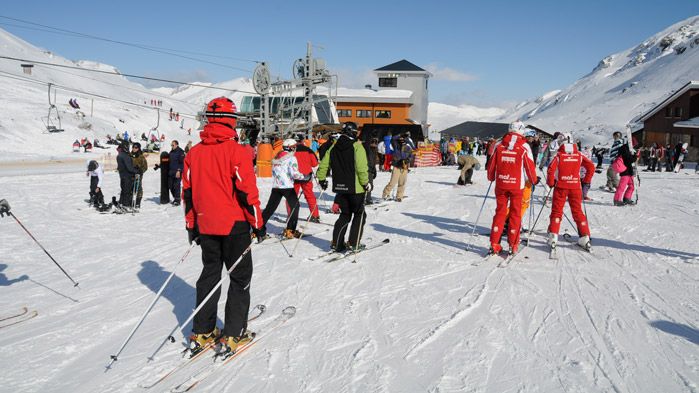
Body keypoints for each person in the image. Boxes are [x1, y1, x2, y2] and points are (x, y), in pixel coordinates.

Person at [182, 96, 265, 357]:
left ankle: (203, 329)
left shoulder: (194, 153)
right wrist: (258, 224)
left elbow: (188, 192)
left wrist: (192, 225)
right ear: (231, 121)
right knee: (239, 279)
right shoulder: (237, 151)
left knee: (209, 275)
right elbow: (247, 193)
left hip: (206, 224)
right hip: (234, 225)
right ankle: (233, 333)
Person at [486, 121, 538, 255]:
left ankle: (494, 243)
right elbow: (530, 166)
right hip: (517, 186)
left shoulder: (499, 144)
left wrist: (491, 177)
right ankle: (513, 244)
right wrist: (533, 180)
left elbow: (491, 165)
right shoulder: (524, 146)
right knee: (515, 214)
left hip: (501, 184)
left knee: (500, 213)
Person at [317, 123, 370, 252]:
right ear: (353, 132)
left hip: (340, 189)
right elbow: (361, 168)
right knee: (359, 214)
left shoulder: (334, 147)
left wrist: (322, 179)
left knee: (345, 215)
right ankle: (353, 242)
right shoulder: (357, 147)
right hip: (356, 188)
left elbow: (324, 164)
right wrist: (365, 183)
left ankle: (337, 243)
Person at [545, 134, 595, 251]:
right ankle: (585, 236)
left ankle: (553, 235)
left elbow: (550, 169)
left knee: (557, 211)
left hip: (561, 186)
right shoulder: (579, 155)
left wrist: (551, 183)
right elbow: (591, 167)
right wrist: (586, 181)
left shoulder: (559, 155)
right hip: (575, 186)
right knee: (577, 211)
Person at [262, 139, 306, 239]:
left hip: (277, 186)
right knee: (295, 206)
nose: (295, 148)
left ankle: (258, 228)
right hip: (287, 187)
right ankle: (290, 229)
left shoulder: (277, 156)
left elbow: (274, 171)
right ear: (291, 147)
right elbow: (294, 173)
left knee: (270, 208)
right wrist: (304, 177)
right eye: (294, 146)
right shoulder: (292, 158)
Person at [291, 138, 320, 222]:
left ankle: (291, 216)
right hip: (306, 176)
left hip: (294, 176)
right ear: (302, 141)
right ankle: (315, 215)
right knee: (310, 195)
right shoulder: (308, 150)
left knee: (291, 197)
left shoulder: (291, 150)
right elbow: (315, 164)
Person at [382, 133, 413, 201]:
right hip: (397, 166)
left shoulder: (408, 147)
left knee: (402, 182)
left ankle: (399, 196)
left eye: (403, 139)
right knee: (393, 182)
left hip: (404, 167)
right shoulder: (396, 145)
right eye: (401, 138)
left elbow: (411, 155)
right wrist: (400, 135)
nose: (402, 139)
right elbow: (393, 139)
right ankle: (385, 194)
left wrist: (408, 160)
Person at [613, 141, 638, 206]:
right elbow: (629, 159)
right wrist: (635, 156)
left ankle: (627, 198)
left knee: (632, 186)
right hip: (625, 171)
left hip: (629, 171)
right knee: (622, 186)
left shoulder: (629, 149)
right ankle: (617, 200)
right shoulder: (624, 149)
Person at [115, 142, 137, 211]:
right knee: (127, 191)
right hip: (127, 176)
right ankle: (126, 205)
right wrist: (136, 170)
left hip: (122, 176)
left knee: (123, 190)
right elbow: (129, 168)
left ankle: (121, 203)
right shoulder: (125, 156)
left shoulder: (119, 155)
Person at [131, 142, 148, 209]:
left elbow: (145, 167)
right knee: (130, 187)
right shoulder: (130, 155)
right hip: (131, 174)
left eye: (136, 148)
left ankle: (138, 202)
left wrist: (141, 171)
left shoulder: (141, 156)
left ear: (138, 148)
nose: (134, 149)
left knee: (138, 188)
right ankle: (131, 201)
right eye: (133, 147)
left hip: (138, 174)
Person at [169, 140, 185, 206]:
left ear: (176, 145)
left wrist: (179, 170)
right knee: (170, 185)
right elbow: (168, 160)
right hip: (171, 171)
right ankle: (175, 197)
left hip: (177, 172)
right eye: (171, 145)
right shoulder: (171, 152)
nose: (172, 146)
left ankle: (177, 200)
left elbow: (182, 163)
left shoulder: (180, 152)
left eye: (173, 145)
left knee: (176, 185)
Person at [363, 136, 379, 204]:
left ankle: (368, 199)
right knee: (365, 185)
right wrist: (371, 136)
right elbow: (366, 143)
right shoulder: (367, 149)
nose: (374, 144)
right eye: (373, 142)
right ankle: (363, 199)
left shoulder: (375, 150)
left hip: (371, 170)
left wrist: (374, 169)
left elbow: (373, 161)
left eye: (376, 142)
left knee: (370, 185)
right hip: (365, 169)